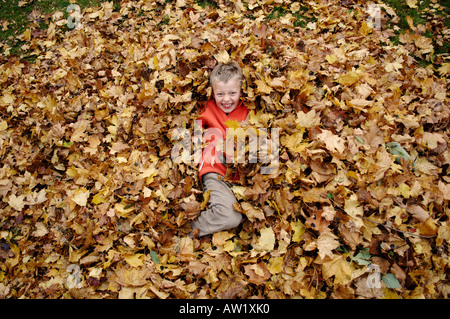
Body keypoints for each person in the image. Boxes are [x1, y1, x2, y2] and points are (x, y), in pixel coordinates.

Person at [190, 61, 249, 238]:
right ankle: (188, 230)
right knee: (230, 216)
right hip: (215, 171)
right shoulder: (207, 108)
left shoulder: (249, 110)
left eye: (232, 93)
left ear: (240, 91)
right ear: (212, 92)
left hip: (242, 174)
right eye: (220, 93)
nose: (226, 99)